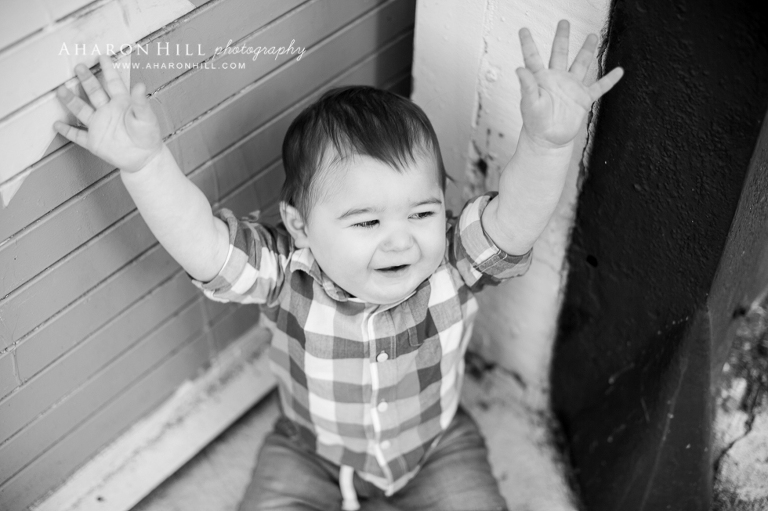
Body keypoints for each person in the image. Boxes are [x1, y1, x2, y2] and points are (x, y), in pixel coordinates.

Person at [55, 19, 623, 511]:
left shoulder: (452, 260)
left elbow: (514, 222)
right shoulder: (285, 270)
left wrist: (547, 145)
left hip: (433, 447)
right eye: (366, 222)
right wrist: (145, 165)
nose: (401, 241)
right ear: (301, 225)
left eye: (422, 212)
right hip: (310, 450)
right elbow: (204, 245)